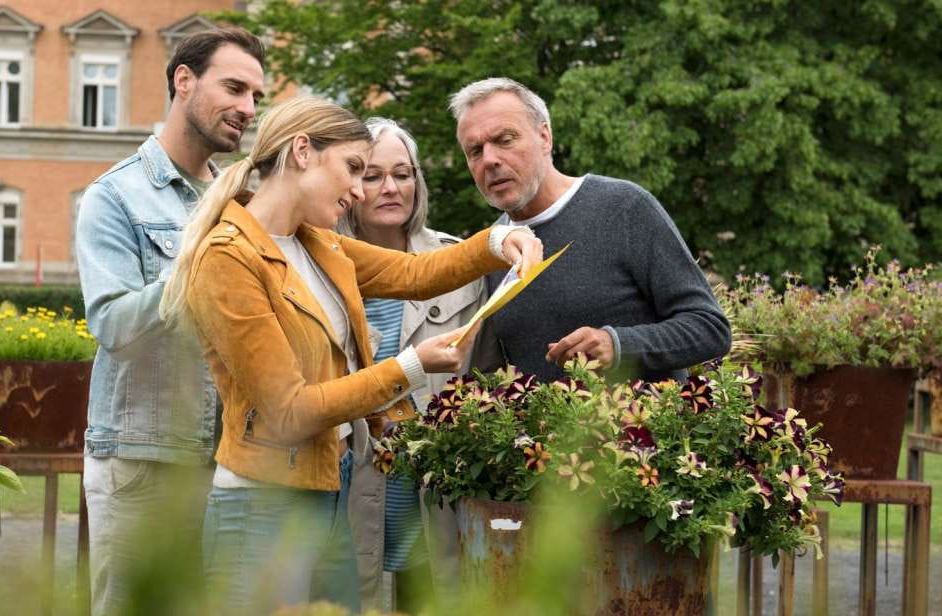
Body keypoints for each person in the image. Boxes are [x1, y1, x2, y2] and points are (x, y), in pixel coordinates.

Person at [158, 96, 543, 614]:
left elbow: (414, 273)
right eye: (354, 169)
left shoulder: (314, 243)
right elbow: (289, 412)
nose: (360, 190)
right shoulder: (229, 258)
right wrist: (410, 368)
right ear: (302, 152)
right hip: (264, 502)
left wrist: (503, 240)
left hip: (326, 488)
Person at [74, 28, 265, 615]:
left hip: (229, 462)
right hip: (143, 462)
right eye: (234, 87)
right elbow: (112, 325)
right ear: (184, 81)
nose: (248, 109)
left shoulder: (239, 202)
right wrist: (196, 260)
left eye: (257, 96)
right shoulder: (115, 196)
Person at [451, 77, 732, 382]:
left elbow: (710, 328)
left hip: (642, 427)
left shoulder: (624, 208)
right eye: (475, 151)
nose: (490, 159)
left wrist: (619, 345)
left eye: (505, 140)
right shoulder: (492, 249)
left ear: (545, 137)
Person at [336, 117, 476, 612]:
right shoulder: (318, 270)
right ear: (348, 184)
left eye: (403, 173)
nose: (391, 188)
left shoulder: (460, 264)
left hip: (435, 492)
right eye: (372, 176)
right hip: (350, 490)